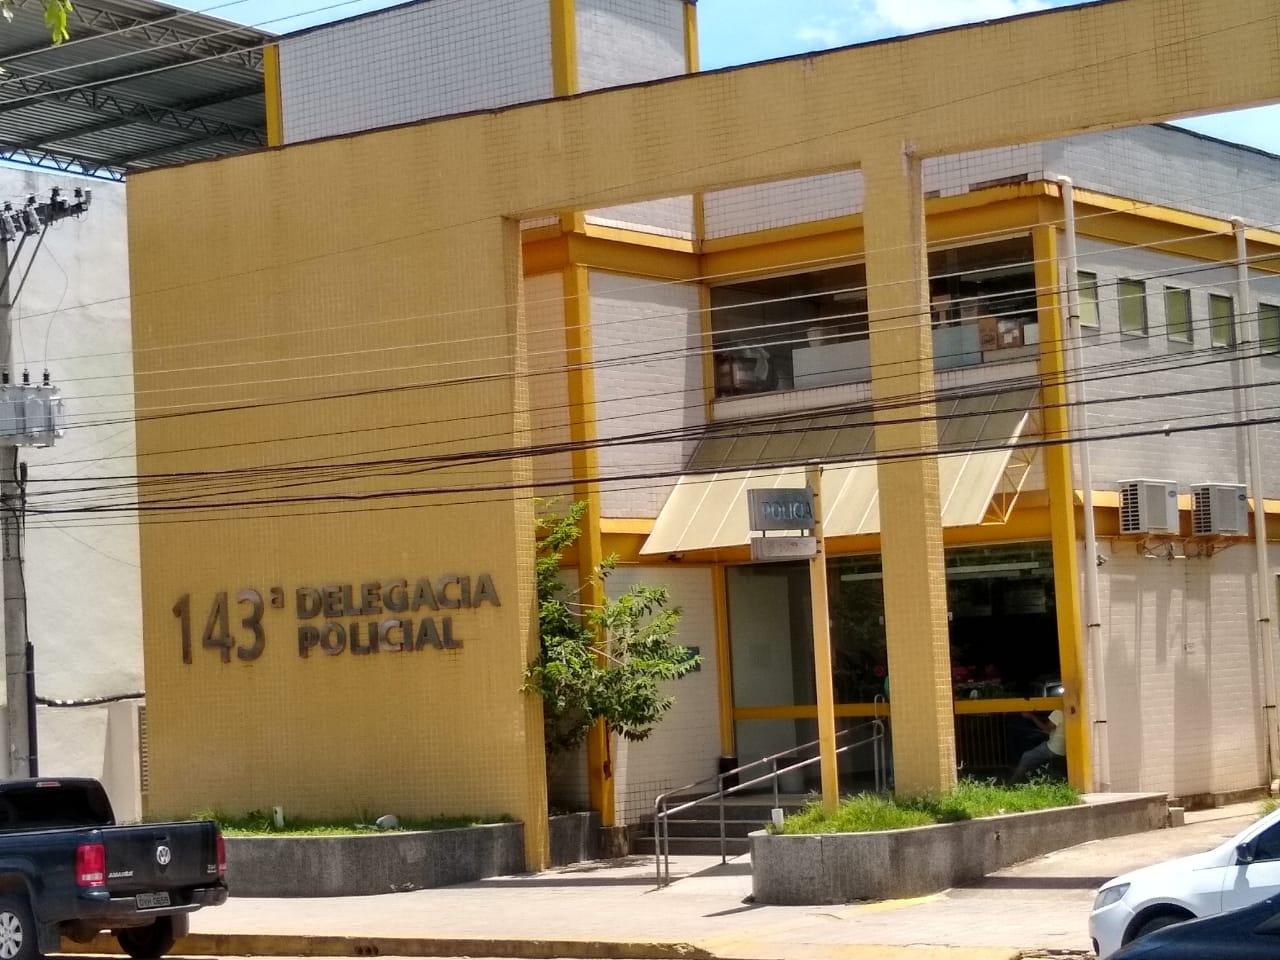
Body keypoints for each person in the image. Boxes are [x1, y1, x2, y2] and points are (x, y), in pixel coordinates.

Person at [1012, 709, 1065, 782]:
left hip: (1054, 749)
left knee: (1026, 756)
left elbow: (1047, 729)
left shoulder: (1058, 711)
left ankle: (1013, 782)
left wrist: (1032, 717)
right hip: (1066, 749)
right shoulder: (1071, 710)